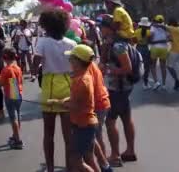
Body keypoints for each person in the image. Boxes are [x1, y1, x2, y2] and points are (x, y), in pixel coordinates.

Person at [34, 10, 76, 172]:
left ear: (46, 25)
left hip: (50, 86)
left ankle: (50, 168)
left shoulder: (43, 42)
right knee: (68, 136)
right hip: (68, 85)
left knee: (48, 134)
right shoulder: (72, 44)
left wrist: (34, 68)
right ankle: (69, 167)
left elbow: (35, 63)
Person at [100, 15, 137, 167]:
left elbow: (127, 68)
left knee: (110, 122)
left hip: (118, 88)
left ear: (109, 28)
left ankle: (115, 156)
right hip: (120, 88)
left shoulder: (118, 46)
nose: (100, 29)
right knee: (126, 118)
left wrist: (109, 70)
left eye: (102, 26)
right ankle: (130, 151)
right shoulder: (112, 44)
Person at [63, 44, 100, 172]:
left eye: (71, 59)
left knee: (76, 161)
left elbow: (76, 105)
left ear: (78, 62)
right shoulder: (84, 77)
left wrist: (64, 104)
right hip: (84, 124)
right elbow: (80, 100)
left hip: (84, 125)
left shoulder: (81, 81)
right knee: (86, 158)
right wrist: (67, 101)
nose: (69, 61)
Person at [0, 47, 24, 150]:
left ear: (4, 57)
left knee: (12, 117)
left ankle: (18, 140)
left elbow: (1, 83)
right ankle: (15, 135)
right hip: (18, 93)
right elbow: (18, 81)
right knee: (17, 115)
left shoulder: (6, 69)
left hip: (11, 94)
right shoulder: (17, 68)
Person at [149, 15, 169, 90]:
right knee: (163, 66)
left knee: (153, 65)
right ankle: (164, 84)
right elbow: (168, 37)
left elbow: (151, 36)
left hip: (155, 48)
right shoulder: (166, 28)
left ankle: (156, 82)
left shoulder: (153, 27)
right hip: (164, 48)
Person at [134, 17, 152, 90]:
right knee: (147, 65)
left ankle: (138, 77)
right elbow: (150, 41)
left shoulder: (136, 31)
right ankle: (146, 82)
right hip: (145, 48)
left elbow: (134, 40)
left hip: (138, 48)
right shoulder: (149, 32)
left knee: (139, 63)